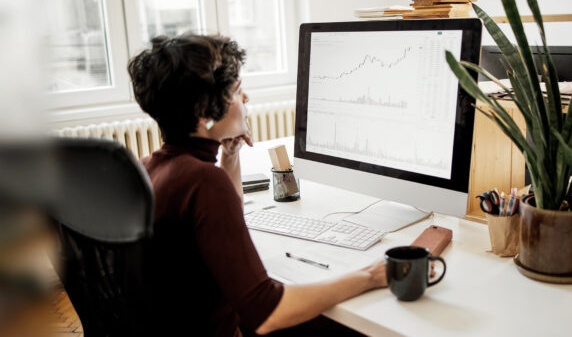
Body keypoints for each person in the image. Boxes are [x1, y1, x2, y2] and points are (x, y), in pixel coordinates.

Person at [127, 33, 387, 336]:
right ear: (203, 111)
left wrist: (230, 155)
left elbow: (223, 223)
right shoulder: (202, 181)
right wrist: (369, 276)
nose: (246, 99)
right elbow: (267, 311)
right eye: (237, 91)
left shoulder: (150, 167)